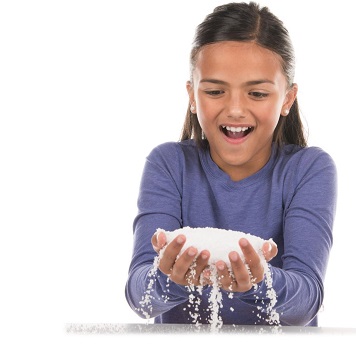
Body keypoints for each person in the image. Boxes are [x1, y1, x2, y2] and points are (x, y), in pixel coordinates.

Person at [125, 1, 337, 327]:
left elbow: (306, 300)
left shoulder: (308, 170)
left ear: (287, 99)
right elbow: (141, 297)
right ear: (193, 96)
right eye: (214, 90)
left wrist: (259, 280)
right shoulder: (169, 165)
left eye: (257, 94)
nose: (235, 109)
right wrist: (171, 276)